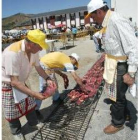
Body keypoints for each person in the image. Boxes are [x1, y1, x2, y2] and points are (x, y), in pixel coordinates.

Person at [86, 0, 138, 134]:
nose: (92, 20)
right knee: (118, 94)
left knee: (117, 97)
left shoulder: (116, 20)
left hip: (120, 65)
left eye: (93, 16)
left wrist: (131, 73)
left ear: (99, 11)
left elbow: (133, 46)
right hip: (113, 64)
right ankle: (124, 113)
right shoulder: (107, 22)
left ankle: (117, 123)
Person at [2, 29, 56, 140]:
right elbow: (14, 81)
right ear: (31, 44)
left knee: (30, 105)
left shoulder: (33, 51)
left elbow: (38, 67)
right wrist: (35, 94)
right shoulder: (12, 53)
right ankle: (16, 132)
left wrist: (47, 78)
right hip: (8, 83)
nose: (41, 49)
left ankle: (33, 123)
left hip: (20, 81)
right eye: (40, 46)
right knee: (12, 111)